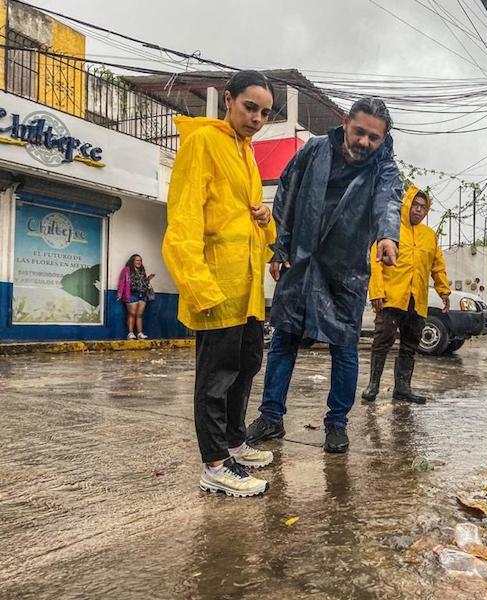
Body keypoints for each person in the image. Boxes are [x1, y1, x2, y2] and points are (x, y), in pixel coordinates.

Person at [246, 97, 403, 454]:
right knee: (284, 340)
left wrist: (387, 236)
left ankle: (337, 423)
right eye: (360, 131)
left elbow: (388, 203)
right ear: (347, 121)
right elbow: (286, 192)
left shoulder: (385, 171)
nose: (364, 142)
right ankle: (271, 416)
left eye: (374, 138)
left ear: (384, 138)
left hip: (345, 272)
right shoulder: (314, 150)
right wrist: (280, 247)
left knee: (344, 348)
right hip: (300, 262)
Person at [162, 70, 277, 498]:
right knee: (215, 379)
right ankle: (214, 464)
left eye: (265, 112)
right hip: (215, 286)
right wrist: (199, 286)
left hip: (246, 288)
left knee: (246, 366)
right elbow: (183, 219)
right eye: (250, 107)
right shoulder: (202, 142)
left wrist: (266, 220)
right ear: (227, 100)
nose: (257, 118)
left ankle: (234, 442)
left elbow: (248, 223)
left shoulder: (245, 153)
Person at [361, 185, 450, 404]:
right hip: (392, 296)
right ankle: (373, 385)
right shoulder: (390, 229)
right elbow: (376, 262)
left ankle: (402, 388)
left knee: (410, 345)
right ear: (407, 204)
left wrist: (444, 291)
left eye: (423, 207)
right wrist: (377, 292)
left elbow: (437, 266)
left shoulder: (429, 236)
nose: (419, 210)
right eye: (415, 205)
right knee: (383, 340)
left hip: (416, 299)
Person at [116, 254, 155, 340]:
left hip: (142, 294)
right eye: (137, 260)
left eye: (140, 260)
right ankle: (130, 333)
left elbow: (144, 283)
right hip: (131, 294)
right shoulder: (126, 270)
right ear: (132, 261)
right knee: (132, 314)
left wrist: (148, 278)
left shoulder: (142, 271)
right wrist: (119, 293)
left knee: (140, 315)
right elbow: (122, 281)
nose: (139, 262)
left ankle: (140, 333)